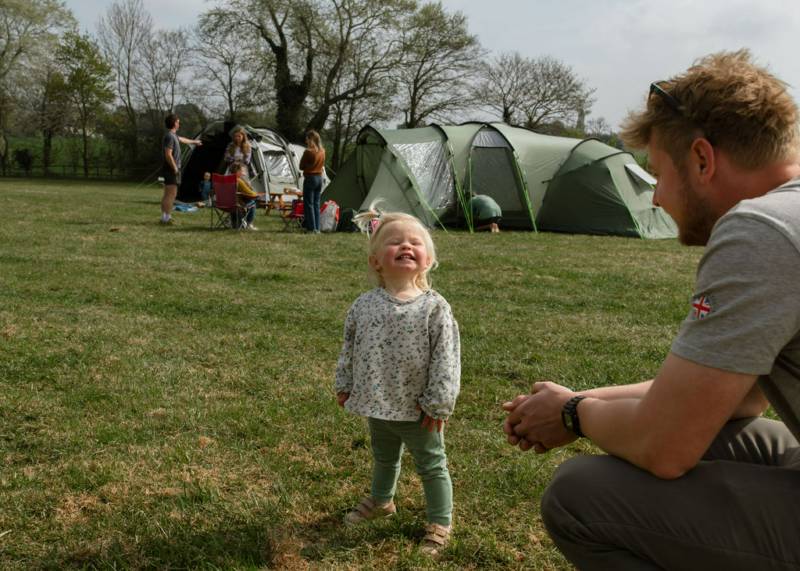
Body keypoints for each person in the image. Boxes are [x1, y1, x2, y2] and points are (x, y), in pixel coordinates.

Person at [502, 49, 800, 569]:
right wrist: (578, 398)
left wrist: (572, 414)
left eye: (659, 173)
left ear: (703, 159)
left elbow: (665, 447)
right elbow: (742, 400)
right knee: (726, 434)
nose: (657, 197)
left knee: (579, 495)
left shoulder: (762, 231)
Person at [335, 207, 461, 557]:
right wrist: (345, 382)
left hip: (419, 408)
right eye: (395, 243)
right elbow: (350, 345)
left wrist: (439, 402)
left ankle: (440, 520)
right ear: (377, 261)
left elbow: (447, 358)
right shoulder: (364, 305)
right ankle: (381, 501)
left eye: (415, 243)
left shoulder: (434, 308)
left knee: (432, 464)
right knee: (384, 456)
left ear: (428, 259)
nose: (406, 246)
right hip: (378, 402)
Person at [160, 113, 201, 225]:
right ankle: (167, 218)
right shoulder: (169, 136)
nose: (179, 123)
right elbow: (168, 154)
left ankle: (164, 217)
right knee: (171, 194)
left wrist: (195, 142)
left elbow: (182, 139)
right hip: (171, 169)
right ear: (174, 123)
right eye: (178, 121)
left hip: (170, 169)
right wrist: (175, 168)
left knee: (167, 194)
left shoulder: (173, 136)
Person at [299, 130, 326, 233]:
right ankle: (317, 228)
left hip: (310, 178)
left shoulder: (308, 152)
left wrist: (307, 166)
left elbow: (301, 166)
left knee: (308, 204)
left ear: (311, 139)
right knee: (316, 204)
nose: (306, 140)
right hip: (319, 178)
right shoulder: (322, 151)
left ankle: (311, 228)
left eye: (307, 138)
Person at [231, 162, 259, 230]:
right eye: (243, 170)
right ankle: (249, 224)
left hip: (225, 204)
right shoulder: (239, 180)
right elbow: (251, 194)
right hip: (237, 204)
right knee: (253, 202)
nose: (244, 172)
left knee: (246, 200)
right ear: (237, 171)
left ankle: (234, 222)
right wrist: (256, 193)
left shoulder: (227, 179)